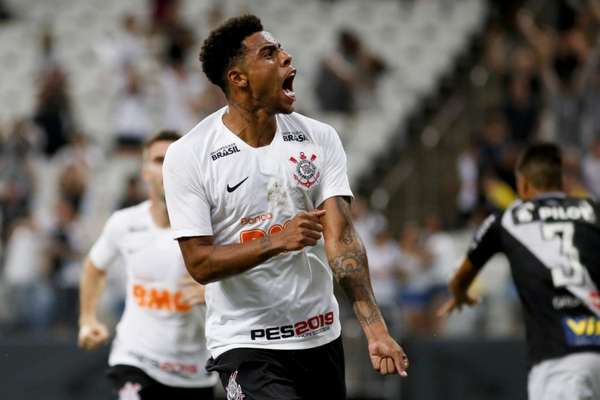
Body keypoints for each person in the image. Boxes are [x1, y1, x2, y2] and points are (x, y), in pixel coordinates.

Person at [162, 14, 408, 400]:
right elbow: (199, 263)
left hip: (320, 338)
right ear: (238, 78)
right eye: (270, 54)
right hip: (245, 342)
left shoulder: (320, 138)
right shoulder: (189, 156)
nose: (288, 58)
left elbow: (342, 242)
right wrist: (276, 240)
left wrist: (375, 329)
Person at [440, 143, 600, 399]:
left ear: (523, 185)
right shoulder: (593, 211)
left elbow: (462, 274)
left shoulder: (507, 220)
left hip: (557, 362)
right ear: (562, 182)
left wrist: (459, 294)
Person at [78, 131, 217, 400]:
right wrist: (87, 319)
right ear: (145, 172)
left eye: (174, 159)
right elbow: (94, 267)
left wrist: (213, 293)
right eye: (158, 160)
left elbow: (247, 280)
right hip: (135, 359)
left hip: (193, 371)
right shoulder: (124, 223)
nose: (166, 167)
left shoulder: (214, 227)